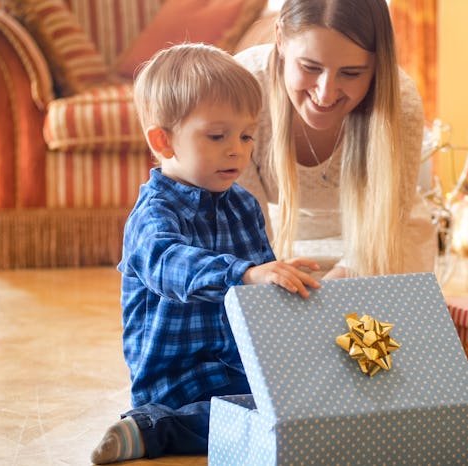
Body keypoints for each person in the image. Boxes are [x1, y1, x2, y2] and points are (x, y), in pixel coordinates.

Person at [89, 42, 320, 464]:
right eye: (217, 136)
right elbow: (169, 265)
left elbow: (260, 291)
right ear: (164, 140)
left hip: (237, 368)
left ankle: (211, 421)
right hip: (173, 381)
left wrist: (283, 286)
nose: (237, 149)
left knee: (299, 405)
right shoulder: (153, 214)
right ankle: (151, 430)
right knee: (237, 418)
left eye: (247, 135)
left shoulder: (244, 205)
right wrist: (246, 274)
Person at [234, 0, 436, 279]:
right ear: (280, 39)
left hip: (382, 239)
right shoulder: (240, 91)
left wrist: (336, 288)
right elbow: (248, 235)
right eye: (310, 67)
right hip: (282, 238)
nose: (326, 94)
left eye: (351, 73)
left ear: (377, 64)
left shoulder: (401, 103)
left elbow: (379, 232)